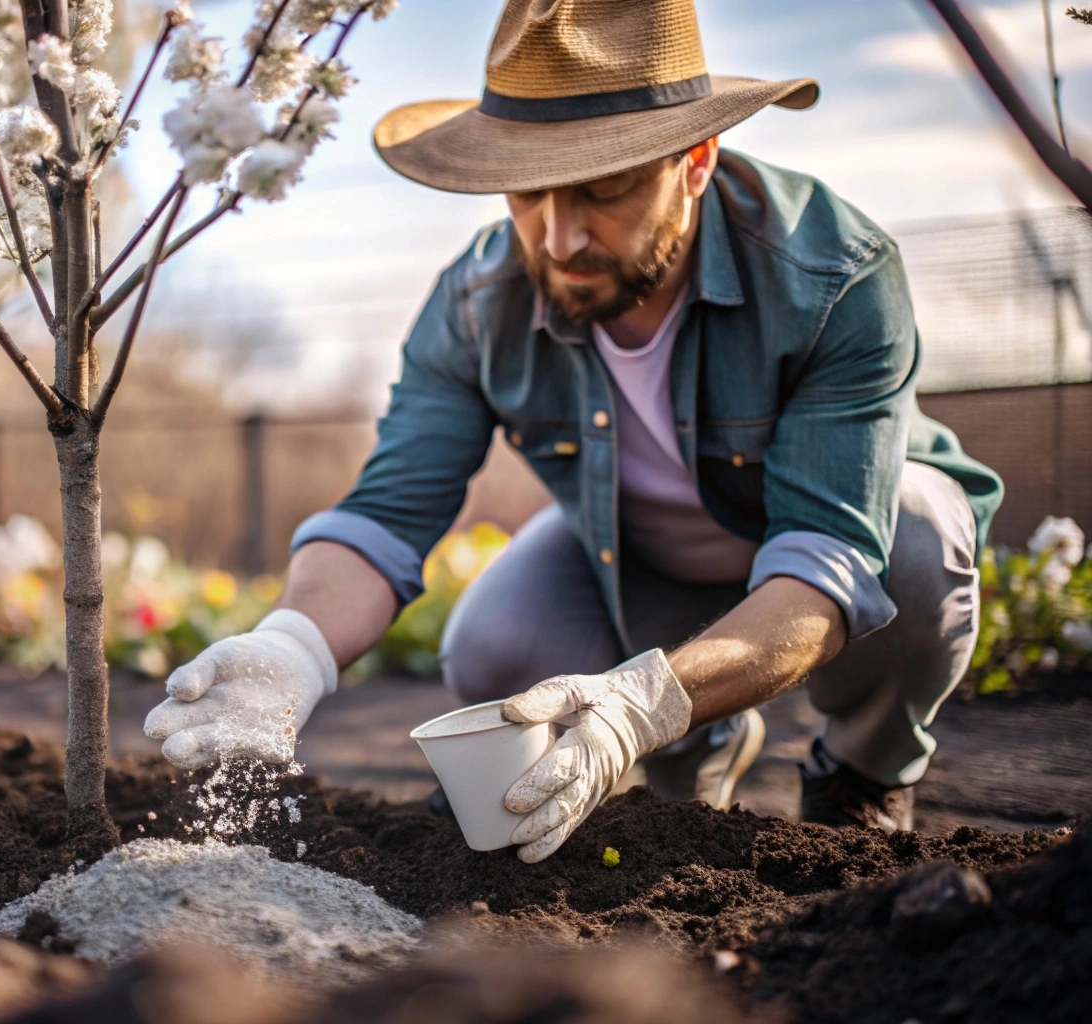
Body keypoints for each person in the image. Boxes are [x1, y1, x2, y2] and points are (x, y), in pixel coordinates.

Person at [144, 0, 1002, 863]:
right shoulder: (478, 304)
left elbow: (825, 563)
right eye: (527, 192)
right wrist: (291, 647)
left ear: (696, 160)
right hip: (634, 557)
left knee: (918, 537)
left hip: (825, 558)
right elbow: (387, 515)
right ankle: (695, 755)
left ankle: (860, 773)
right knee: (492, 648)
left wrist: (644, 705)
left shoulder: (831, 272)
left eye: (604, 187)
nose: (559, 239)